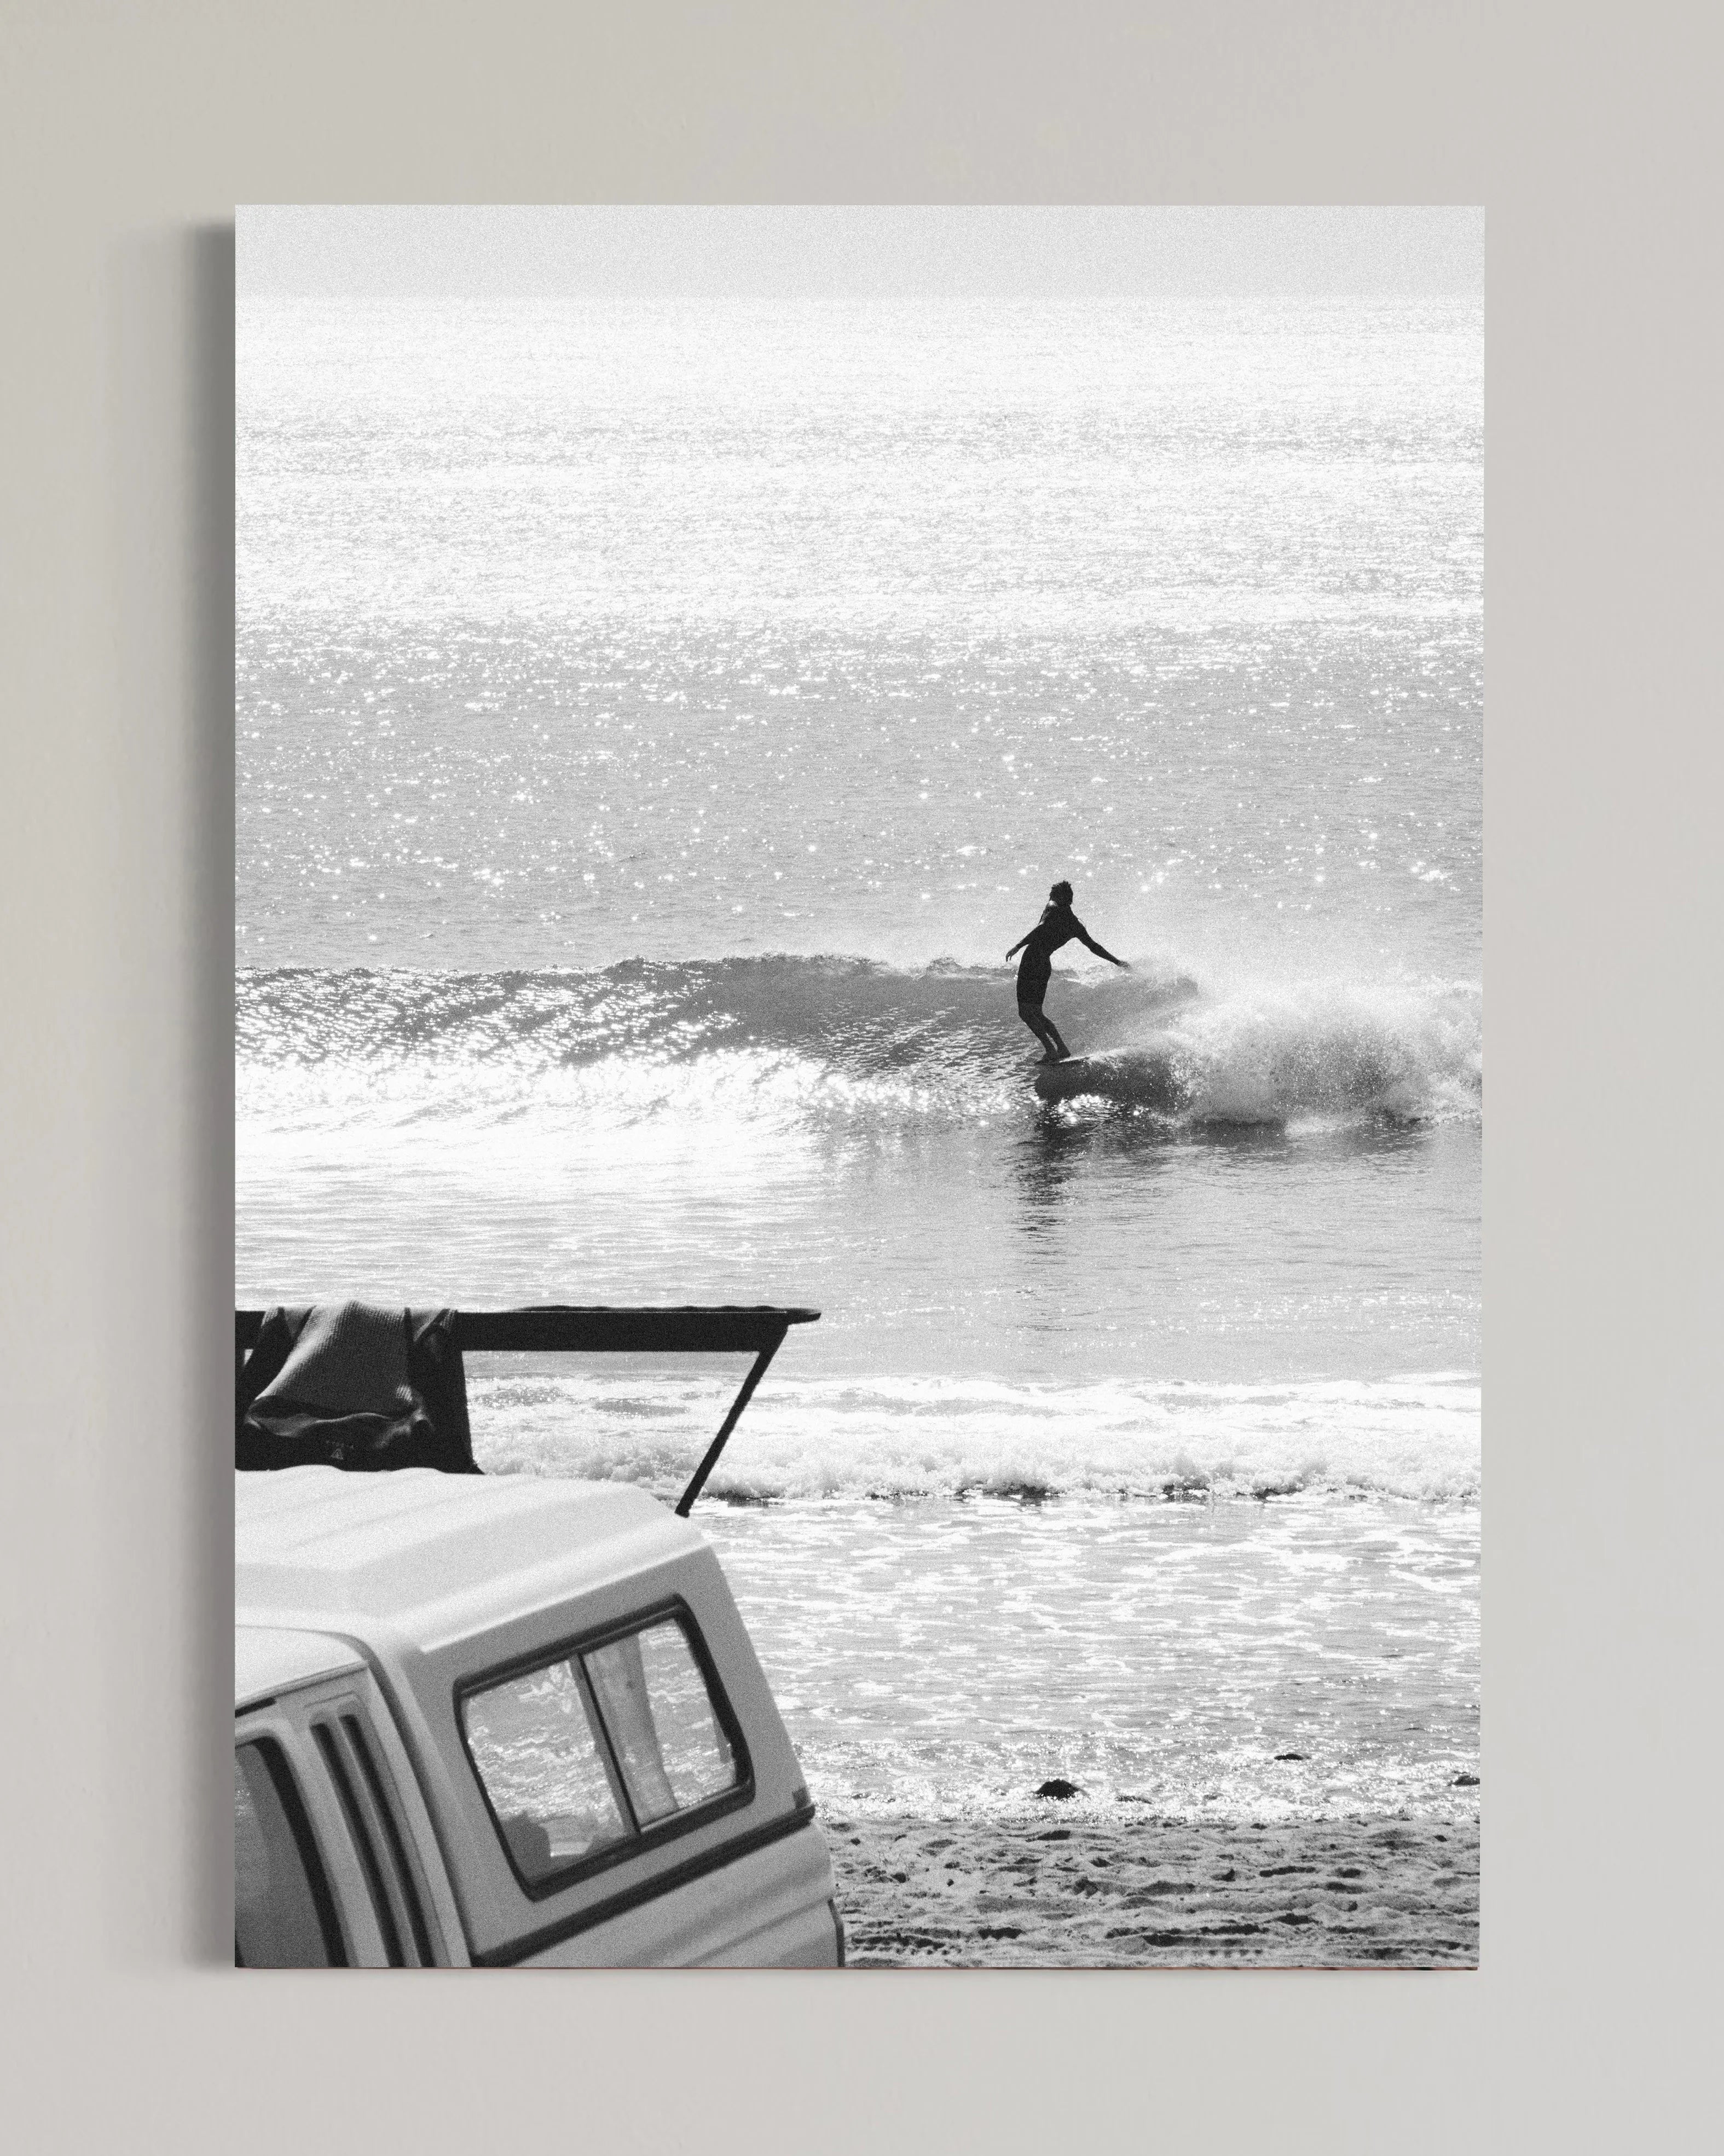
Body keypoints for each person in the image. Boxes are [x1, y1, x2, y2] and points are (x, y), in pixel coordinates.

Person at [1005, 881, 1129, 1062]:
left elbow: (1041, 929)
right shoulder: (1075, 925)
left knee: (1025, 1012)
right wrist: (1117, 961)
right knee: (1037, 1012)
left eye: (1053, 896)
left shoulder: (1052, 908)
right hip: (1044, 964)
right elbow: (1094, 947)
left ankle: (1051, 1050)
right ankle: (1061, 1048)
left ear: (1060, 897)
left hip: (1032, 961)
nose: (1050, 899)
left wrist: (1018, 946)